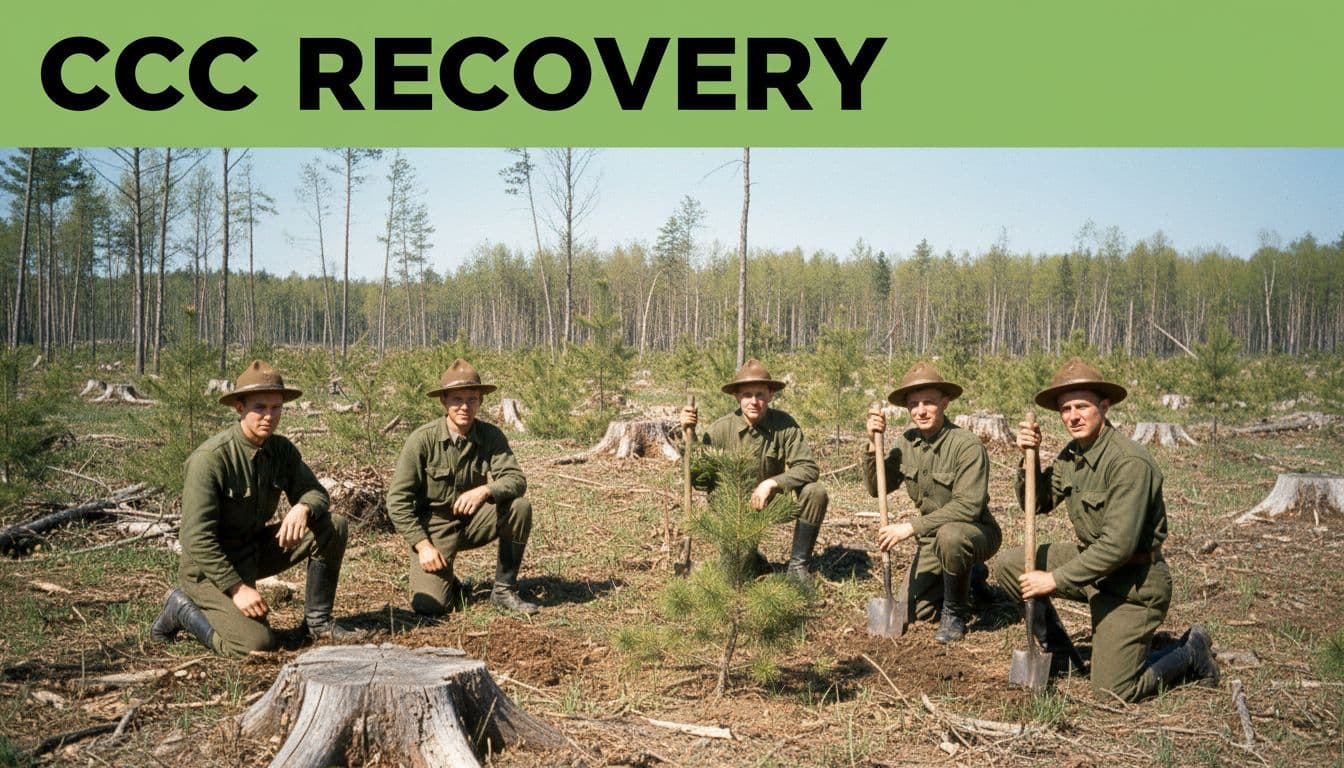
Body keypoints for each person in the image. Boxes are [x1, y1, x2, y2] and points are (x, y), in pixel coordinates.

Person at [994, 357, 1218, 700]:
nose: (1073, 416)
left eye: (1082, 406)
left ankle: (1189, 652)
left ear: (1104, 406)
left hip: (1134, 584)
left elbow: (1118, 546)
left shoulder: (1129, 463)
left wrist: (1052, 580)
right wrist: (1031, 456)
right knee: (1011, 566)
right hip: (1093, 569)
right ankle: (1061, 656)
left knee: (1112, 692)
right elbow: (1035, 504)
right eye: (1065, 409)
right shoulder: (1072, 455)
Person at [150, 360, 358, 657]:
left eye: (276, 408)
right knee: (256, 646)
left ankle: (317, 623)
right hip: (209, 570)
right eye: (260, 407)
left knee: (332, 525)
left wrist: (303, 507)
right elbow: (195, 539)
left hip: (253, 552)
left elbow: (316, 493)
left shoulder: (281, 450)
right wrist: (237, 589)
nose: (269, 416)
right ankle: (182, 609)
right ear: (239, 407)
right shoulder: (210, 459)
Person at [862, 362, 1002, 643]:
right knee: (916, 612)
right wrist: (871, 444)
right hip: (931, 541)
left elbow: (968, 507)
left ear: (945, 402)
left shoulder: (966, 445)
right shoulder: (907, 442)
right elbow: (879, 488)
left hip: (974, 532)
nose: (921, 411)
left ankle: (955, 613)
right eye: (913, 404)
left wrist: (909, 528)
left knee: (951, 536)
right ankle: (970, 577)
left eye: (929, 402)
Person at [386, 358, 537, 616]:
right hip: (434, 529)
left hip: (474, 520)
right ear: (443, 401)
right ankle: (448, 582)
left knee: (519, 507)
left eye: (472, 399)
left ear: (480, 401)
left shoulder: (490, 436)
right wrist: (422, 546)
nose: (464, 407)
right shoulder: (422, 440)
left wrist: (486, 491)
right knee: (430, 607)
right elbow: (397, 501)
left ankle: (503, 590)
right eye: (456, 399)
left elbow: (516, 479)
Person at [679, 358, 827, 586]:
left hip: (771, 504)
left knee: (815, 492)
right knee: (736, 579)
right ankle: (751, 559)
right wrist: (690, 437)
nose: (754, 401)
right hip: (733, 513)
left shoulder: (784, 424)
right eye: (747, 395)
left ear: (771, 395)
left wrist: (771, 483)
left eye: (760, 394)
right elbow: (699, 480)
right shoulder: (721, 429)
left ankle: (797, 568)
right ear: (737, 397)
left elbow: (809, 468)